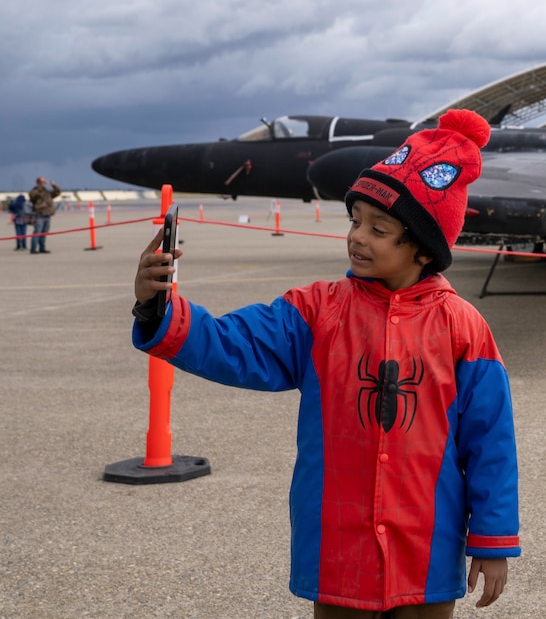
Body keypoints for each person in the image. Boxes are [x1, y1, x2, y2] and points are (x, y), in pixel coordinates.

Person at [132, 109, 520, 618]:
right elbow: (233, 344)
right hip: (339, 548)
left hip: (428, 545)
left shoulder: (463, 328)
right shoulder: (316, 311)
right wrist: (157, 309)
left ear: (424, 249)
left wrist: (492, 541)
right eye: (355, 220)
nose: (358, 236)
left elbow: (490, 441)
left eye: (380, 229)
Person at [28, 177, 61, 254]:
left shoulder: (47, 192)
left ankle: (42, 248)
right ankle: (33, 249)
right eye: (42, 182)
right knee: (37, 231)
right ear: (38, 183)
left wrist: (54, 186)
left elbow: (57, 192)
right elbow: (32, 196)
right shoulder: (35, 191)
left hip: (47, 214)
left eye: (44, 182)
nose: (44, 184)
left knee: (44, 232)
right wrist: (39, 187)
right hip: (40, 214)